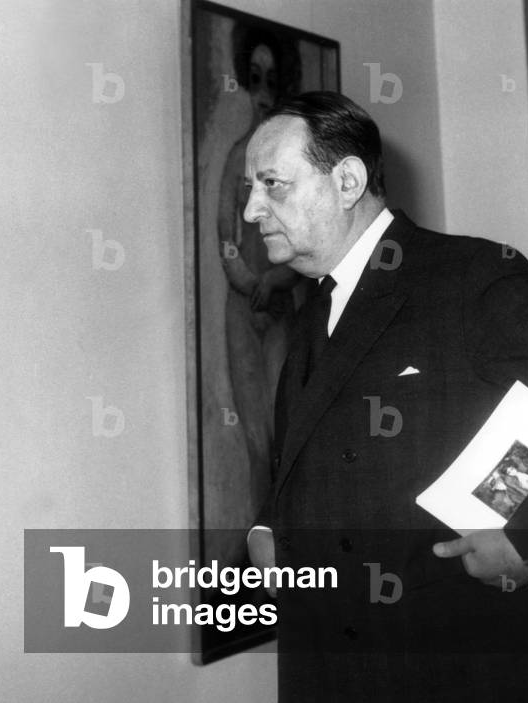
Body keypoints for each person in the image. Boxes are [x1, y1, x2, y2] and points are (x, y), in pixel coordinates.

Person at [242, 91, 528, 701]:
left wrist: (527, 537)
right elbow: (307, 461)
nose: (251, 210)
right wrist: (267, 528)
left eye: (271, 184)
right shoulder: (311, 311)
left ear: (348, 179)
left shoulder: (473, 275)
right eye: (250, 189)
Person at [216, 27, 303, 552]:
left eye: (272, 80)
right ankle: (258, 548)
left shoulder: (293, 169)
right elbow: (225, 237)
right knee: (254, 437)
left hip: (281, 308)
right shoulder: (234, 160)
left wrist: (274, 280)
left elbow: (301, 237)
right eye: (255, 79)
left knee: (283, 432)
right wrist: (247, 280)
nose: (264, 90)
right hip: (241, 310)